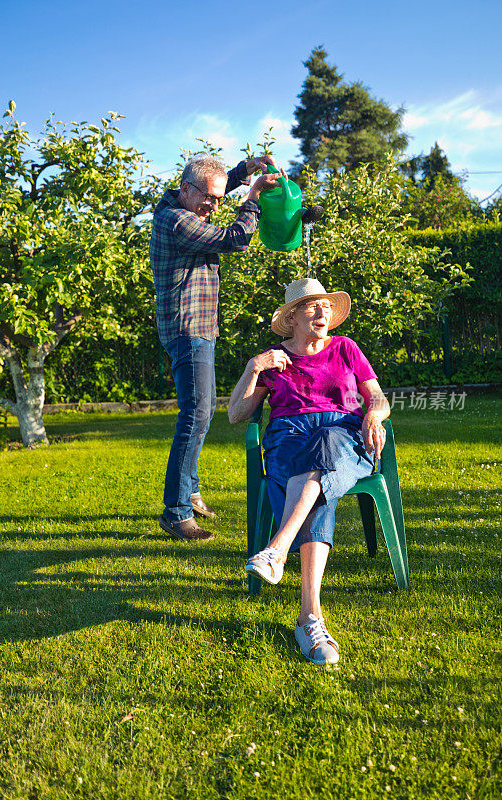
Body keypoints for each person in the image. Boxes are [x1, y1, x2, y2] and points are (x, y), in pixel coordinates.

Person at [228, 278, 390, 665]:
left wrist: (373, 413)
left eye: (326, 307)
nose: (323, 313)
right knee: (316, 486)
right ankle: (309, 619)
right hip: (289, 438)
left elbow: (378, 396)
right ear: (293, 317)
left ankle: (277, 551)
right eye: (313, 306)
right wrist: (254, 367)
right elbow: (237, 414)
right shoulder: (273, 359)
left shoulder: (346, 347)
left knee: (325, 450)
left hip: (344, 436)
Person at [150, 152, 285, 543]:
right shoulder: (176, 220)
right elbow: (236, 238)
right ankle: (175, 513)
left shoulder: (186, 202)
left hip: (199, 329)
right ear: (187, 189)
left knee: (203, 410)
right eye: (208, 198)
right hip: (187, 330)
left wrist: (248, 168)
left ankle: (188, 489)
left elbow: (219, 188)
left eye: (219, 199)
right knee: (194, 415)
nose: (214, 205)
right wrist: (254, 197)